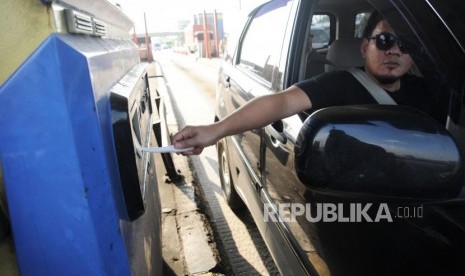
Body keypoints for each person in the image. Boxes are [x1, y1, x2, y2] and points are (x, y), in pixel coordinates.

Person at [172, 11, 446, 155]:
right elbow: (282, 101)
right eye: (385, 41)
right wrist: (215, 130)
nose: (395, 51)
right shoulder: (339, 85)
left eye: (405, 45)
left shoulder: (430, 92)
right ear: (364, 48)